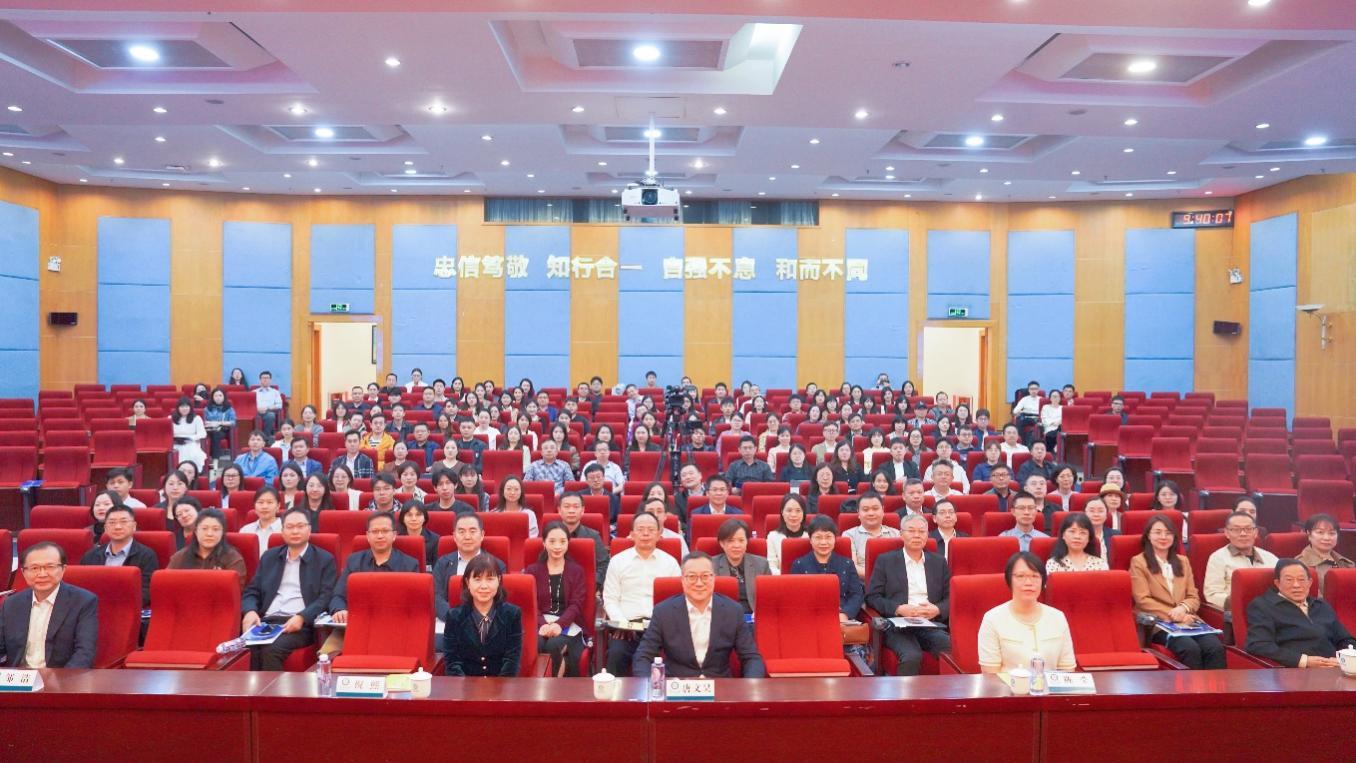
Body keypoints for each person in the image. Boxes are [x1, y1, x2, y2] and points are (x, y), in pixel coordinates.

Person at [631, 551, 767, 679]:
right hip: (677, 685)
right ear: (682, 580)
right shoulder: (663, 612)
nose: (699, 583)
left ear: (713, 578)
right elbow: (643, 656)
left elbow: (751, 658)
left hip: (719, 685)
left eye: (705, 576)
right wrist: (652, 685)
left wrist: (751, 685)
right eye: (692, 577)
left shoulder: (733, 611)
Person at [239, 508, 337, 670]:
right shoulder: (270, 557)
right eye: (290, 527)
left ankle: (271, 688)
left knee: (271, 650)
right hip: (266, 622)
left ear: (309, 529)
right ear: (282, 531)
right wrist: (250, 611)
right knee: (245, 648)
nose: (295, 531)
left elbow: (326, 597)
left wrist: (302, 617)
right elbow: (252, 591)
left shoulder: (324, 559)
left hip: (300, 625)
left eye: (300, 526)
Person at [1129, 514, 1225, 670]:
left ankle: (1218, 686)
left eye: (1168, 533)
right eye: (1158, 532)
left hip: (1188, 619)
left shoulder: (1183, 561)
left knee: (1214, 647)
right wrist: (1174, 615)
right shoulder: (1139, 562)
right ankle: (1193, 686)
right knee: (1189, 648)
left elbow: (1193, 596)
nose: (1163, 537)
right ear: (1148, 535)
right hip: (1158, 622)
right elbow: (1142, 599)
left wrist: (1183, 609)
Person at [865, 514, 952, 675]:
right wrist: (898, 608)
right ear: (901, 534)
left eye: (922, 531)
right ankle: (905, 693)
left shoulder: (939, 562)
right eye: (911, 531)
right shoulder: (886, 561)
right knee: (911, 656)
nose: (917, 535)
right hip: (898, 625)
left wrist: (937, 609)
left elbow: (951, 598)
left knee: (953, 649)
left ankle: (948, 691)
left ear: (927, 535)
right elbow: (872, 597)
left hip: (929, 623)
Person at [324, 511, 421, 649]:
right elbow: (338, 596)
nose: (380, 536)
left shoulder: (410, 565)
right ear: (368, 536)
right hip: (356, 627)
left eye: (385, 531)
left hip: (394, 628)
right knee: (326, 655)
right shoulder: (354, 561)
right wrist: (339, 610)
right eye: (375, 531)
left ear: (394, 535)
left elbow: (415, 605)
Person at [601, 512, 681, 676]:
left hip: (660, 629)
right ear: (632, 534)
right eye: (640, 529)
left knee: (677, 657)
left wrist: (664, 627)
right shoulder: (618, 561)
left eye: (651, 530)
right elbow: (610, 599)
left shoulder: (670, 563)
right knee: (616, 654)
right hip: (627, 628)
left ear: (659, 535)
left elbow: (677, 600)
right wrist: (622, 624)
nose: (645, 534)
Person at [0, 542, 98, 668]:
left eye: (50, 567)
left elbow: (84, 653)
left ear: (63, 569)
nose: (42, 574)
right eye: (34, 568)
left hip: (62, 676)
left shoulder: (83, 601)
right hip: (20, 677)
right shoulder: (12, 603)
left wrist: (62, 679)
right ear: (23, 572)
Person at [1244, 558, 1356, 668]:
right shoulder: (1263, 606)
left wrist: (1342, 659)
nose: (1296, 585)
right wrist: (1303, 661)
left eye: (1301, 579)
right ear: (1277, 583)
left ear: (1310, 582)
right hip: (1295, 672)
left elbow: (1346, 640)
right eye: (1289, 580)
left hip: (1335, 668)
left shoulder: (1321, 605)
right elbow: (1258, 645)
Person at [977, 552, 1077, 674]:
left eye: (1035, 576)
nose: (1029, 582)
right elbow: (990, 674)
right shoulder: (992, 619)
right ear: (1009, 580)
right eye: (1020, 576)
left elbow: (1068, 669)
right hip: (1007, 686)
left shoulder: (1057, 617)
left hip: (1052, 686)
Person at [524, 521, 588, 676]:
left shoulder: (576, 571)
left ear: (568, 543)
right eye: (552, 541)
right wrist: (543, 624)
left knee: (554, 644)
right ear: (544, 543)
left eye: (562, 541)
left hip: (569, 624)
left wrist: (559, 624)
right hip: (540, 623)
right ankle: (534, 686)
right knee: (537, 642)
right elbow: (531, 604)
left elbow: (576, 604)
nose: (557, 546)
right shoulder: (532, 570)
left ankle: (554, 687)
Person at [443, 554, 523, 677]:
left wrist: (499, 687)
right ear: (467, 582)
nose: (484, 586)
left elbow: (511, 661)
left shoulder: (512, 615)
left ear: (499, 580)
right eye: (477, 579)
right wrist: (466, 687)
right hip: (464, 686)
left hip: (502, 685)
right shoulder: (454, 616)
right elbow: (452, 663)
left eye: (490, 579)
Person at [433, 513, 507, 622]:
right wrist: (455, 617)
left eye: (472, 531)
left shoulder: (498, 565)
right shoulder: (443, 563)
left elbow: (499, 599)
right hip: (449, 620)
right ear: (454, 536)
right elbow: (436, 597)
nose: (467, 537)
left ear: (482, 535)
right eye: (461, 532)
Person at [78, 505, 157, 606]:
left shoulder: (146, 556)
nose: (117, 527)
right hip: (94, 608)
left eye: (123, 522)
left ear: (134, 526)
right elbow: (81, 588)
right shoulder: (90, 556)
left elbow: (146, 591)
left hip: (128, 608)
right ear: (105, 528)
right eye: (112, 522)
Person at [791, 516, 865, 623]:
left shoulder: (847, 564)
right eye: (818, 537)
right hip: (809, 619)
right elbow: (795, 597)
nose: (823, 542)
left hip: (841, 617)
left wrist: (845, 614)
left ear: (835, 538)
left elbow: (857, 594)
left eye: (828, 537)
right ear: (810, 539)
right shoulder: (799, 565)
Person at [1203, 511, 1278, 612]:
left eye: (1248, 529)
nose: (1243, 534)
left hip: (1271, 609)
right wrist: (1238, 602)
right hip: (1237, 611)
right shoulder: (1218, 558)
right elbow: (1212, 594)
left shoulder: (1270, 557)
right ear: (1227, 533)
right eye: (1236, 529)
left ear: (1255, 532)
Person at [168, 508, 248, 590]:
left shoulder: (233, 558)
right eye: (204, 528)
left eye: (215, 529)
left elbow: (234, 590)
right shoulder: (180, 557)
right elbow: (167, 584)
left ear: (222, 533)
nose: (209, 534)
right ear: (195, 531)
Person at [713, 519, 771, 615]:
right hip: (724, 617)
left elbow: (768, 597)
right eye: (731, 541)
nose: (737, 545)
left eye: (741, 540)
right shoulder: (711, 565)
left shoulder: (761, 564)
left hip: (753, 616)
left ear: (747, 542)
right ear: (722, 543)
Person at [843, 492, 900, 579]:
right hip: (863, 583)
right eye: (865, 510)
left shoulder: (896, 534)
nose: (871, 513)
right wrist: (879, 578)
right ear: (858, 513)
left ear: (883, 510)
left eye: (875, 509)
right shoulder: (849, 535)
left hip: (893, 582)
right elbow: (852, 567)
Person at [1296, 513, 1354, 597]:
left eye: (1332, 533)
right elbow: (1314, 600)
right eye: (1320, 532)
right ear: (1309, 534)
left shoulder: (1348, 563)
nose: (1326, 538)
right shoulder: (1299, 564)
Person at [767, 494, 809, 575]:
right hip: (781, 579)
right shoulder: (772, 537)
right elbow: (771, 566)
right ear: (782, 512)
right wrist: (787, 577)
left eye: (798, 511)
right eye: (789, 510)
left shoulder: (811, 536)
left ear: (803, 513)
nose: (793, 515)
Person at [239, 487, 284, 558]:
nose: (264, 507)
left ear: (278, 506)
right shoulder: (245, 530)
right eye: (260, 502)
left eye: (269, 502)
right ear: (254, 506)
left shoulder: (286, 529)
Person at [397, 501, 440, 566]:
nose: (414, 519)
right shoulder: (397, 539)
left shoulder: (435, 539)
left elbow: (437, 567)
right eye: (409, 515)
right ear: (402, 518)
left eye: (418, 515)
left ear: (424, 518)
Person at [1084, 496, 1120, 565]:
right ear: (1085, 514)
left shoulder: (1116, 535)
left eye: (1100, 511)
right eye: (1091, 511)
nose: (1096, 514)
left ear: (1106, 515)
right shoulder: (1079, 536)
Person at [203, 387, 237, 460]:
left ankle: (215, 459)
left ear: (224, 397)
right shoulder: (207, 408)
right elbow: (203, 420)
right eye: (216, 396)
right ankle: (204, 458)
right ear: (212, 397)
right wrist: (210, 423)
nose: (218, 398)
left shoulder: (229, 408)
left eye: (220, 395)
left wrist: (220, 423)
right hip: (209, 429)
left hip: (222, 430)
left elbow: (233, 422)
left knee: (216, 434)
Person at [1011, 381, 1043, 446]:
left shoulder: (1042, 399)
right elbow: (1015, 411)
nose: (1034, 391)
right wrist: (1019, 412)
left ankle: (1035, 444)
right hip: (1026, 417)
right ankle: (1022, 444)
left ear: (1038, 390)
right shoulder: (1024, 399)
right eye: (1031, 389)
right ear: (1028, 390)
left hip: (1038, 418)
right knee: (1019, 421)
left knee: (1039, 425)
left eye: (1035, 389)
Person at [253, 370, 284, 437]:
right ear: (260, 380)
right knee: (252, 417)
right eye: (263, 378)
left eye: (267, 378)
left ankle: (265, 437)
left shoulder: (275, 392)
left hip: (268, 412)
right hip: (256, 412)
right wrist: (257, 409)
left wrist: (267, 408)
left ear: (270, 380)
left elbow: (279, 405)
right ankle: (255, 436)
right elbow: (249, 405)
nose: (265, 380)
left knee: (271, 415)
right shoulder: (254, 392)